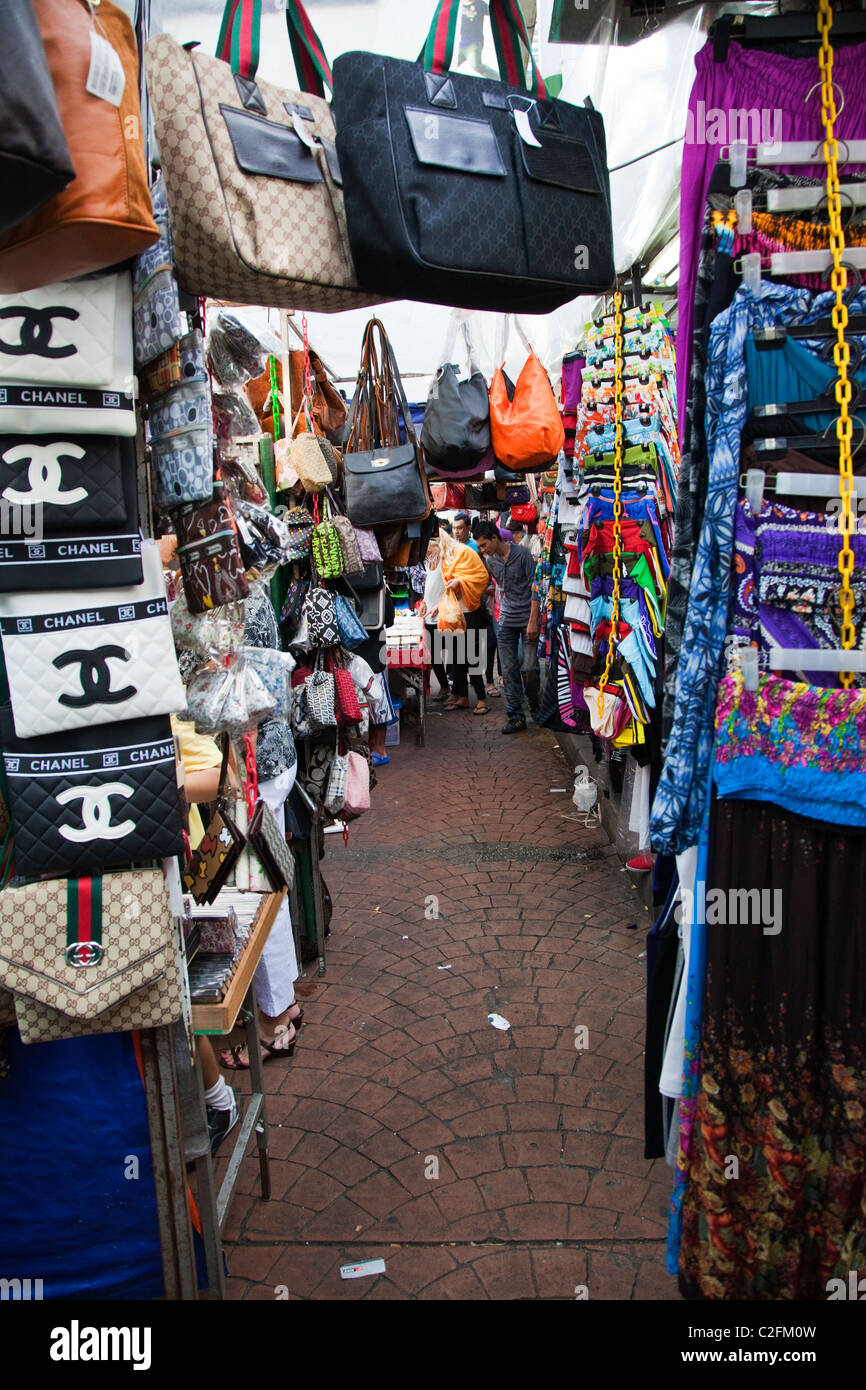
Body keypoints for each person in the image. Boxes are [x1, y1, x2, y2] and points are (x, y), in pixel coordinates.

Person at [475, 520, 541, 733]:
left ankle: (534, 703)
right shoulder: (491, 561)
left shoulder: (522, 554)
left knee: (529, 667)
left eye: (484, 545)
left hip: (527, 618)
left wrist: (533, 620)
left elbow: (535, 587)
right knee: (509, 670)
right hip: (505, 619)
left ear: (495, 538)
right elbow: (501, 586)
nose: (482, 550)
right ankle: (516, 715)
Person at [438, 529, 489, 714]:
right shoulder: (446, 557)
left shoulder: (464, 552)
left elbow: (482, 577)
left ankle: (482, 698)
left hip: (470, 613)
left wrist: (460, 581)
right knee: (457, 659)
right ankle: (463, 697)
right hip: (454, 614)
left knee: (472, 657)